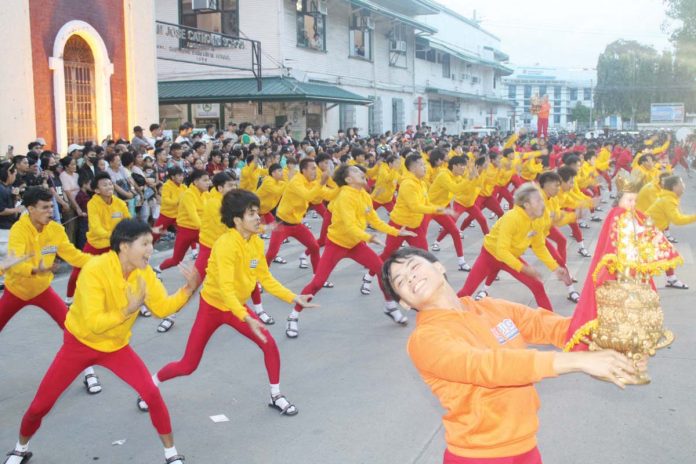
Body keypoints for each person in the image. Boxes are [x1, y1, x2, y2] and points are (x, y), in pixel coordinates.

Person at [381, 247, 646, 464]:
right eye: (401, 282)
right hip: (477, 455)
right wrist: (576, 361)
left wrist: (613, 338)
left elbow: (552, 326)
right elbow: (486, 367)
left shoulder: (490, 307)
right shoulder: (425, 339)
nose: (411, 278)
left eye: (413, 267)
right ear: (404, 303)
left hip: (525, 445)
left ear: (439, 267)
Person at [2, 219, 199, 464]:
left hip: (116, 347)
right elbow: (94, 323)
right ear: (124, 246)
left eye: (151, 243)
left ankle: (172, 455)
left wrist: (188, 290)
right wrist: (127, 310)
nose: (151, 249)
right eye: (145, 243)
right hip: (79, 344)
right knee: (41, 405)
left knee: (151, 392)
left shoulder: (144, 272)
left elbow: (161, 307)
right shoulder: (95, 269)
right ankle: (20, 448)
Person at [139, 190, 314, 417]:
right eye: (251, 213)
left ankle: (276, 395)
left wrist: (294, 297)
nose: (258, 217)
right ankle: (150, 385)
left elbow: (265, 278)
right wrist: (247, 317)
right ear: (237, 220)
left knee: (269, 344)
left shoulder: (254, 242)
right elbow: (225, 289)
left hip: (236, 308)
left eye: (257, 212)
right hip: (212, 307)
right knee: (188, 364)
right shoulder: (225, 245)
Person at [288, 165, 416, 338]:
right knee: (318, 282)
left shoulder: (363, 195)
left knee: (382, 271)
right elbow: (349, 226)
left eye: (360, 171)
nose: (361, 173)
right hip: (337, 244)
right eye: (355, 172)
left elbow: (375, 220)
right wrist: (368, 237)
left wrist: (396, 232)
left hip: (356, 245)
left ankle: (390, 307)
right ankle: (294, 315)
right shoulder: (344, 196)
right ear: (348, 180)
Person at [0, 187, 102, 394]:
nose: (51, 211)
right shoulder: (19, 231)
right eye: (45, 207)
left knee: (72, 327)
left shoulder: (55, 229)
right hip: (16, 290)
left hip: (42, 290)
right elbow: (14, 263)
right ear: (30, 209)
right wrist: (35, 269)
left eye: (51, 206)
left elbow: (73, 255)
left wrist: (102, 261)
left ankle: (88, 372)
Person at [565, 176, 682, 351]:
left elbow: (644, 230)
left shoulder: (632, 214)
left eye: (635, 200)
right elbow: (614, 241)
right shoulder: (617, 215)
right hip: (620, 265)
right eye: (629, 200)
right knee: (620, 303)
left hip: (633, 264)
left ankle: (632, 333)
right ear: (618, 200)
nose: (633, 203)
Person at [458, 184, 571, 311]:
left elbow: (539, 246)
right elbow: (501, 251)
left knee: (537, 286)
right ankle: (444, 314)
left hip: (511, 258)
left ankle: (552, 322)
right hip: (489, 256)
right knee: (466, 293)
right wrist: (523, 268)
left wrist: (555, 268)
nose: (543, 204)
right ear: (527, 205)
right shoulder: (512, 218)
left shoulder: (537, 220)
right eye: (538, 201)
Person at [65, 172, 130, 304]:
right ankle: (69, 298)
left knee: (126, 271)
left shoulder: (120, 203)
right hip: (96, 245)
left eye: (110, 184)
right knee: (78, 270)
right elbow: (96, 228)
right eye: (104, 185)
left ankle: (130, 300)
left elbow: (128, 221)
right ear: (96, 190)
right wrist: (116, 235)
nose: (109, 186)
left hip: (114, 245)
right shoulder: (92, 204)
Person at [645, 175, 696, 289]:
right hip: (648, 231)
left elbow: (678, 216)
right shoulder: (668, 200)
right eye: (681, 184)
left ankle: (671, 279)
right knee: (666, 254)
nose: (684, 186)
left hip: (652, 231)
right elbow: (678, 220)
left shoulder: (670, 198)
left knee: (666, 254)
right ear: (674, 187)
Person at [155, 169, 211, 274]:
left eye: (209, 180)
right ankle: (157, 269)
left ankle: (203, 273)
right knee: (176, 260)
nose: (209, 182)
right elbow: (193, 215)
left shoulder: (205, 194)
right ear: (195, 182)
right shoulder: (188, 194)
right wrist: (206, 228)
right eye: (205, 180)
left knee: (213, 250)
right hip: (184, 229)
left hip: (198, 230)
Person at [152, 167, 186, 243]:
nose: (181, 178)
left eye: (182, 175)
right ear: (173, 177)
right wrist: (177, 202)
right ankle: (147, 246)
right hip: (167, 214)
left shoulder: (183, 186)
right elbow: (166, 200)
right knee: (156, 232)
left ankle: (194, 251)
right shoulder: (166, 186)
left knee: (187, 229)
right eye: (179, 176)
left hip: (178, 215)